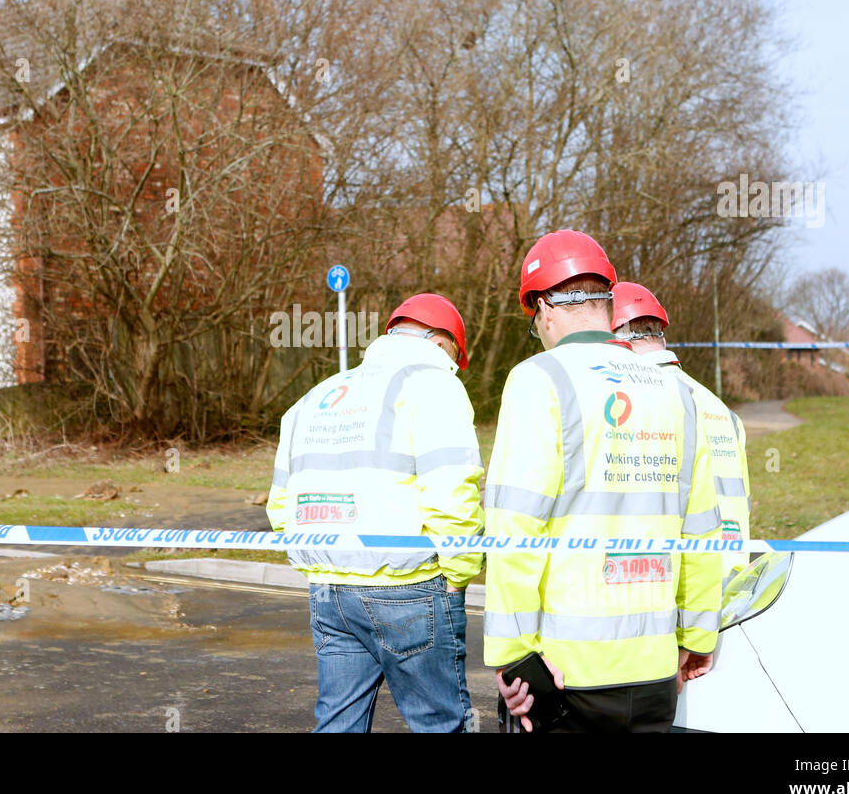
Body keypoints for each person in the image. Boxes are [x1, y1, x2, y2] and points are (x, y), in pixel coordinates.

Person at [484, 229, 724, 733]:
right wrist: (699, 635)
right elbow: (702, 529)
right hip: (657, 671)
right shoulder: (675, 392)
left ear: (545, 309)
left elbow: (514, 528)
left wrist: (512, 657)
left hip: (565, 674)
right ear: (607, 304)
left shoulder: (538, 379)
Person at [266, 293, 485, 732]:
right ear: (441, 343)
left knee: (338, 723)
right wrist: (459, 573)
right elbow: (452, 491)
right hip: (409, 586)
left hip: (329, 589)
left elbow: (280, 505)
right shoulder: (434, 384)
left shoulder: (318, 394)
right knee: (440, 723)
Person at [611, 282, 752, 587]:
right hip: (732, 580)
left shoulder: (639, 405)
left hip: (677, 585)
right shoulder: (723, 411)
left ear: (616, 341)